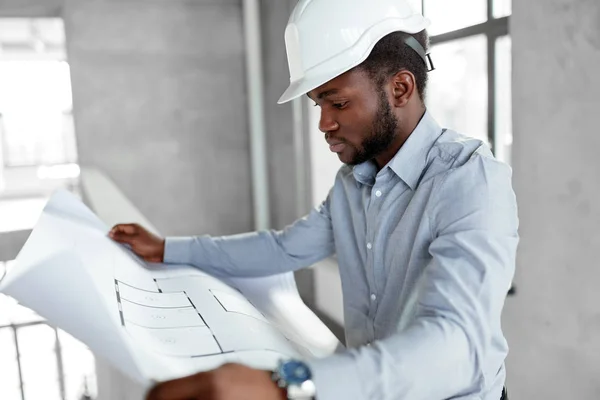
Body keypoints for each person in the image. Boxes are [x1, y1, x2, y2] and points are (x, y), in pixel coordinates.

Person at [109, 0, 518, 399]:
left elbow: (457, 346)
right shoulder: (352, 184)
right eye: (318, 103)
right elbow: (283, 249)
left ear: (400, 88)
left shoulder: (471, 181)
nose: (324, 123)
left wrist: (289, 386)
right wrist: (167, 249)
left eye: (338, 102)